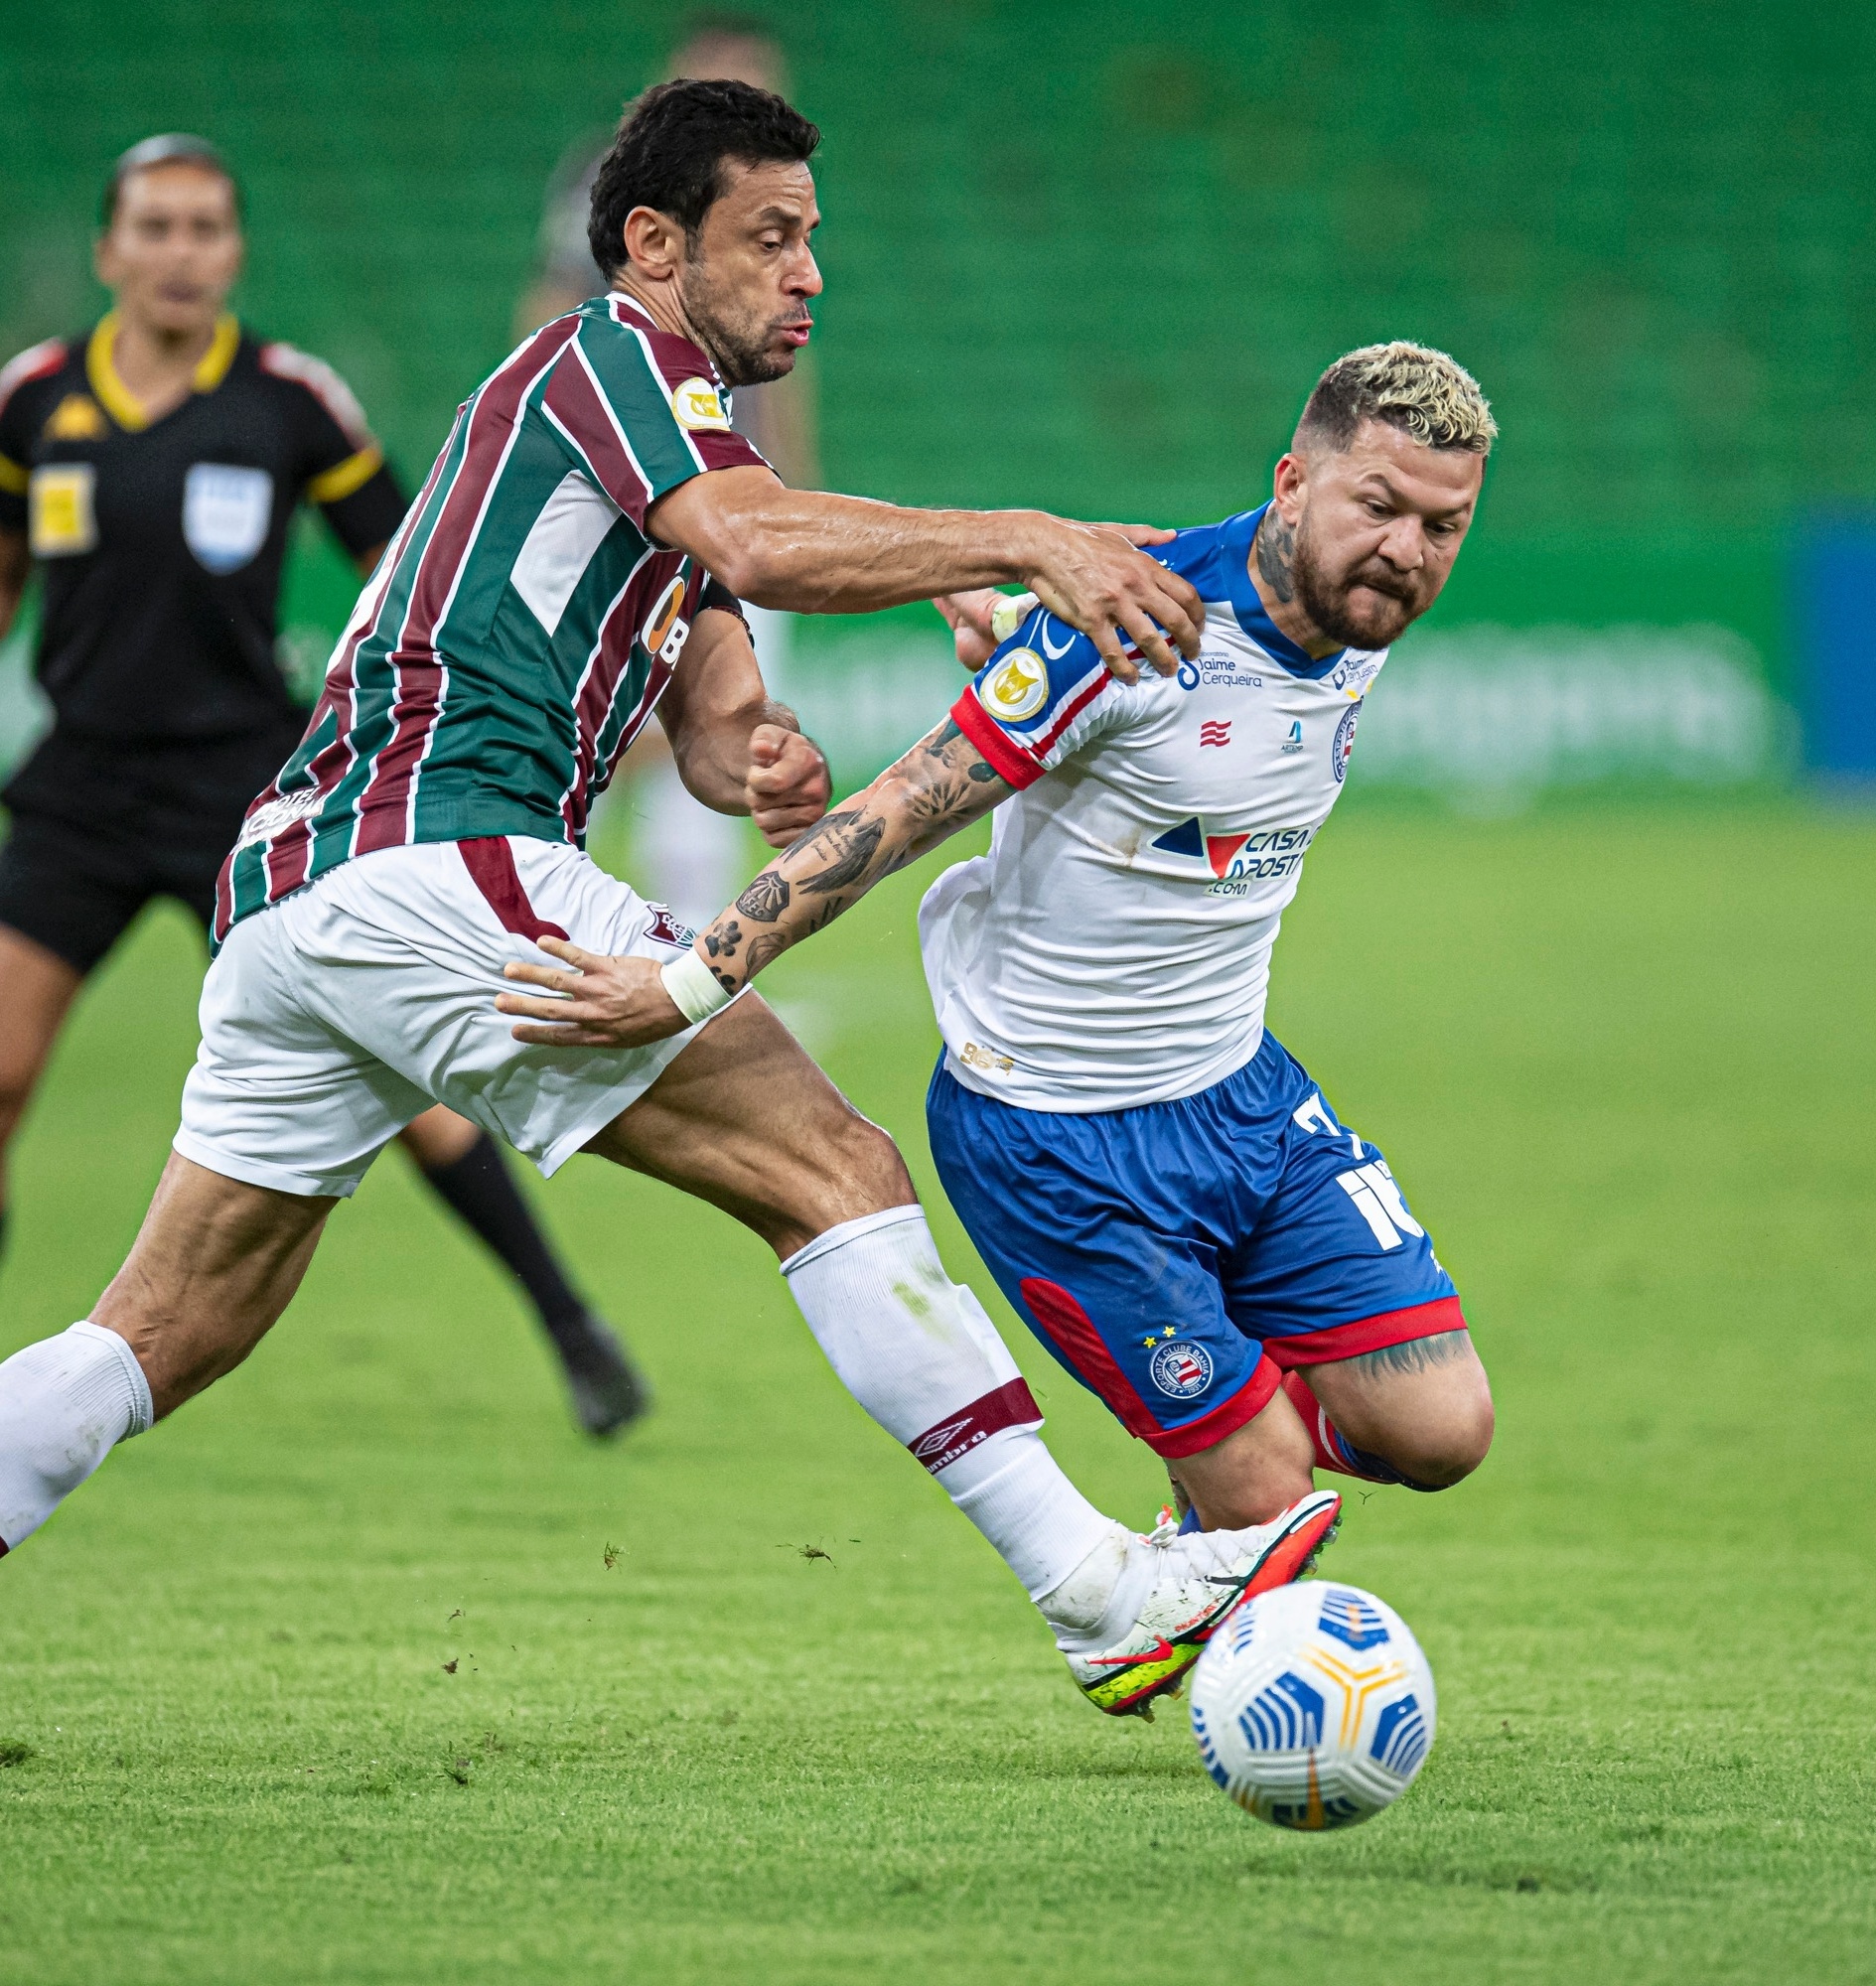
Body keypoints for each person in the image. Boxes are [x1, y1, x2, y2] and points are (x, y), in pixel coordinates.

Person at [0, 81, 1341, 1724]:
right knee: (828, 1166)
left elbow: (710, 707)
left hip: (304, 892)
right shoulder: (605, 357)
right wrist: (1031, 541)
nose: (808, 276)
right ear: (653, 243)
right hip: (433, 853)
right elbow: (754, 547)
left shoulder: (687, 432)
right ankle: (1095, 1588)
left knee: (173, 1322)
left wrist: (753, 759)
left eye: (813, 241)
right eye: (770, 238)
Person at [515, 344, 1500, 1591]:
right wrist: (684, 982)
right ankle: (1224, 1494)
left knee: (1442, 1430)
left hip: (1242, 1097)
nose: (1407, 551)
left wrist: (994, 620)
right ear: (1294, 482)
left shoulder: (1358, 608)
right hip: (1057, 1135)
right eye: (1380, 507)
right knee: (1266, 1501)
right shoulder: (1141, 621)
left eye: (1442, 525)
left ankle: (1229, 1426)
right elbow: (904, 809)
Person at [0, 135, 650, 1437]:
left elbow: (409, 570)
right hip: (74, 791)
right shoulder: (33, 401)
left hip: (246, 795)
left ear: (234, 251)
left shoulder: (290, 400)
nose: (180, 254)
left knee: (401, 1093)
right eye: (156, 229)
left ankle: (569, 1324)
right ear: (109, 250)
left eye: (204, 230)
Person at [522, 13, 814, 922]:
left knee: (731, 725)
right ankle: (563, 913)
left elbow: (795, 359)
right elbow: (553, 308)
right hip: (644, 487)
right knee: (609, 721)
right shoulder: (616, 187)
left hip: (733, 479)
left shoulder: (771, 203)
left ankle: (686, 951)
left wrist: (788, 487)